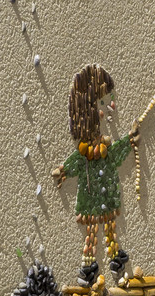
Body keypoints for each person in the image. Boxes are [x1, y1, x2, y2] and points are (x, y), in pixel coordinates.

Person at [53, 63, 137, 281]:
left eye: (108, 100)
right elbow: (76, 163)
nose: (109, 107)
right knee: (91, 233)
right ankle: (89, 267)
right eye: (102, 102)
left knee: (110, 227)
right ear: (88, 109)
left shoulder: (104, 146)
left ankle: (115, 258)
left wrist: (129, 140)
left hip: (107, 196)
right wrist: (63, 171)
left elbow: (115, 153)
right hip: (91, 197)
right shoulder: (84, 151)